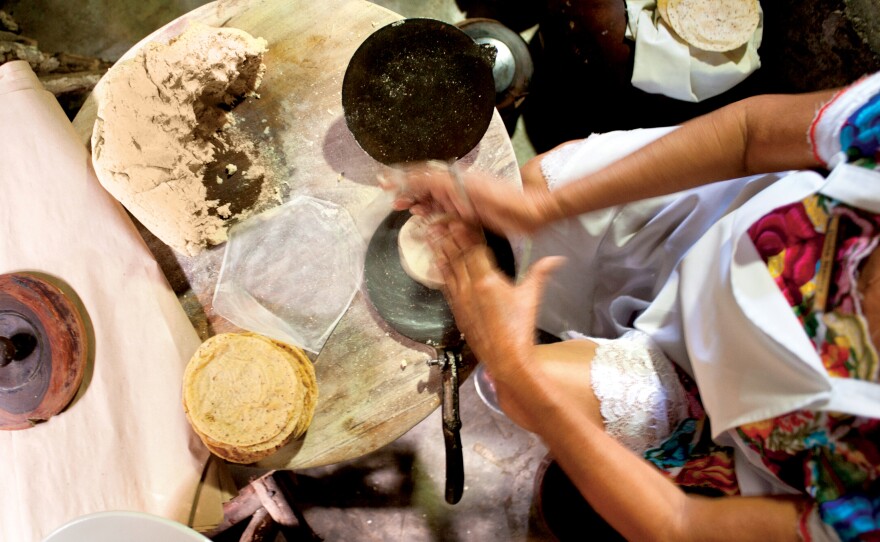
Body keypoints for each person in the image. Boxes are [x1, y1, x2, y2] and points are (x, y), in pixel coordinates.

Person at [388, 71, 880, 540]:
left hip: (720, 412)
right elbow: (750, 136)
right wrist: (543, 208)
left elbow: (680, 526)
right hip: (723, 222)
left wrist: (514, 365)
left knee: (513, 392)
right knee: (533, 185)